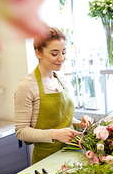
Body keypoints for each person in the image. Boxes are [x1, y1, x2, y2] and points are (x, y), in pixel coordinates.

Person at [14, 24, 93, 164]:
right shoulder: (27, 86)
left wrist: (79, 124)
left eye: (63, 52)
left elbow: (63, 120)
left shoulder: (62, 81)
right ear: (38, 53)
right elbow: (21, 131)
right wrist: (55, 134)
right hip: (45, 160)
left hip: (72, 154)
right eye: (54, 53)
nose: (61, 58)